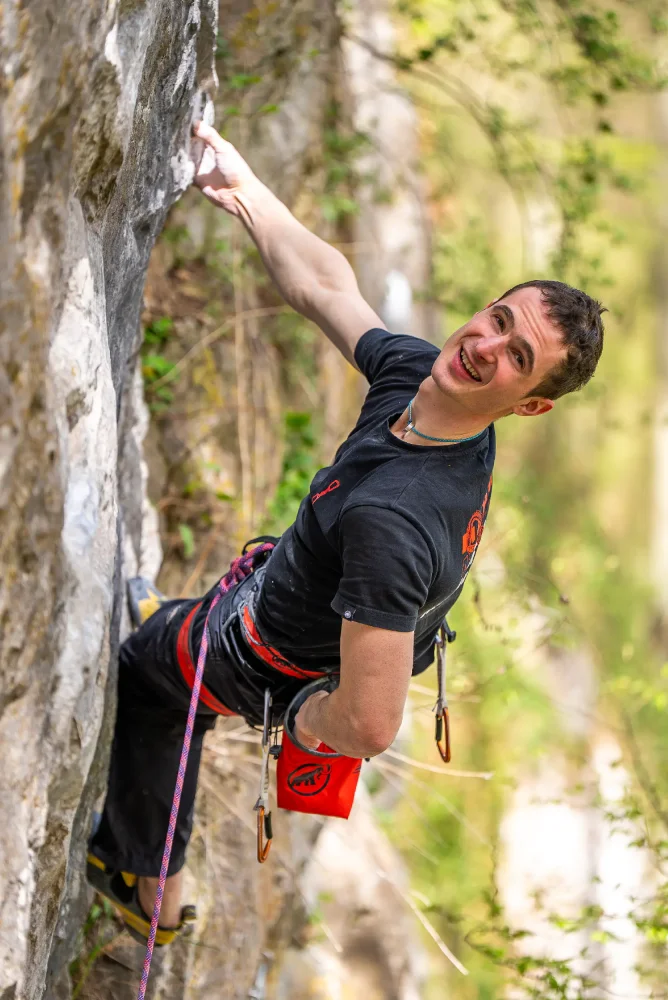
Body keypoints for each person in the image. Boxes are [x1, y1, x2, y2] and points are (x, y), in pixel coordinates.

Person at [87, 121, 605, 943]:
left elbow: (369, 723)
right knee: (206, 616)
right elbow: (328, 287)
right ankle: (188, 628)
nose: (485, 346)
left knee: (153, 672)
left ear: (531, 404)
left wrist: (302, 724)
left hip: (265, 658)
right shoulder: (424, 384)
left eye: (516, 356)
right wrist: (245, 192)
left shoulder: (394, 518)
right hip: (293, 604)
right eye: (498, 318)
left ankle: (150, 888)